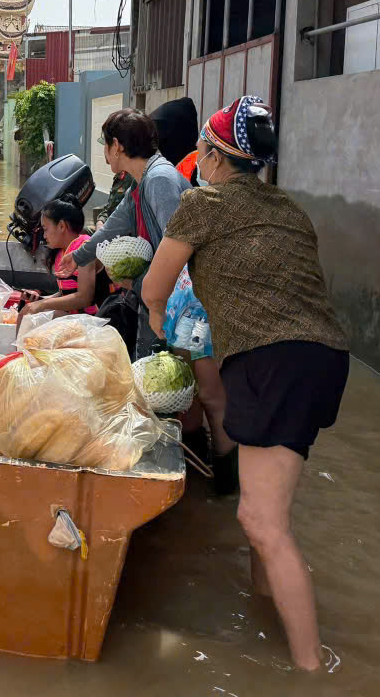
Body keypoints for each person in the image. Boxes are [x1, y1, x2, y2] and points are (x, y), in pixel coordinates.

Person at [140, 95, 349, 672]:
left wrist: (165, 333)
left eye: (201, 151)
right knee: (267, 512)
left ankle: (312, 669)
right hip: (324, 358)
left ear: (212, 155)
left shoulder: (202, 204)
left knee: (260, 520)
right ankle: (267, 612)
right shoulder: (289, 210)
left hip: (269, 359)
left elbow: (154, 290)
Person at [149, 96, 235, 490]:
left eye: (204, 153)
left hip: (198, 312)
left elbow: (164, 268)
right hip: (193, 307)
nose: (198, 159)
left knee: (210, 397)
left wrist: (153, 305)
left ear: (216, 157)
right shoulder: (250, 199)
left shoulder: (198, 194)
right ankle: (205, 477)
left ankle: (222, 483)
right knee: (195, 397)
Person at [54, 109, 189, 358]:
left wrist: (138, 284)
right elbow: (116, 223)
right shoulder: (142, 180)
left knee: (160, 375)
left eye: (105, 146)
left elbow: (178, 252)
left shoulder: (159, 179)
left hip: (174, 302)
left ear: (116, 146)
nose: (105, 156)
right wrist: (80, 256)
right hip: (157, 296)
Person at [19, 197, 106, 319]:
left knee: (29, 316)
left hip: (96, 321)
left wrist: (43, 304)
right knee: (27, 313)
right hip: (76, 318)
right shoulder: (61, 253)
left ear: (61, 226)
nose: (44, 235)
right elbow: (66, 294)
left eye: (45, 229)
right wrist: (39, 300)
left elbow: (84, 298)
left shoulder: (84, 248)